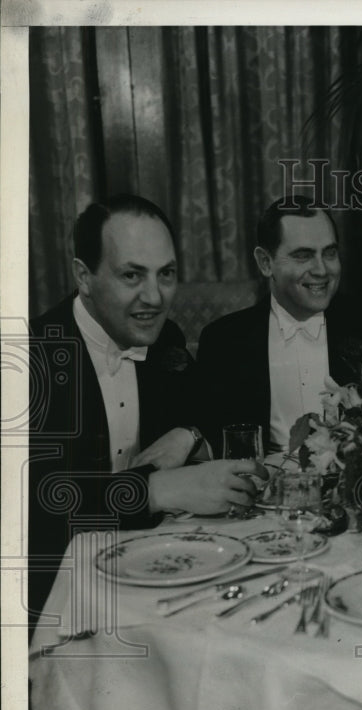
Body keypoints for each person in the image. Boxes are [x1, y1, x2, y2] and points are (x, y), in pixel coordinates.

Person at [28, 195, 266, 632]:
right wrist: (156, 489)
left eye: (166, 274)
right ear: (84, 276)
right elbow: (35, 509)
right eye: (132, 275)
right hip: (55, 602)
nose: (154, 297)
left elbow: (221, 408)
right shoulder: (31, 360)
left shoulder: (164, 339)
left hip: (153, 577)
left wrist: (188, 433)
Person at [196, 195, 362, 454]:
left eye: (330, 253)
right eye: (303, 256)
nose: (322, 270)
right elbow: (212, 440)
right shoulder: (223, 341)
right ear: (266, 263)